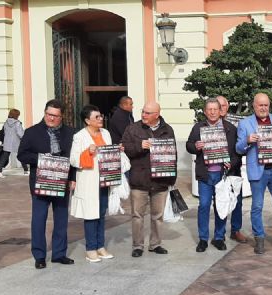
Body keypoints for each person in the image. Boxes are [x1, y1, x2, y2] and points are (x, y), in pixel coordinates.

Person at [18, 99, 76, 269]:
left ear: (62, 117)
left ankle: (59, 254)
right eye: (49, 114)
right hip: (40, 183)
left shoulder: (71, 133)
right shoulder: (31, 132)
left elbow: (73, 159)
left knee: (61, 219)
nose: (51, 118)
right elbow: (22, 155)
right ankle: (39, 256)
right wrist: (42, 160)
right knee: (38, 219)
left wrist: (73, 178)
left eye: (55, 116)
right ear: (45, 113)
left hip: (62, 182)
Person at [236, 92, 272, 254]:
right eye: (260, 105)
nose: (263, 108)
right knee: (257, 207)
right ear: (254, 106)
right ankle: (259, 239)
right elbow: (238, 148)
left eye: (266, 105)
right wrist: (247, 141)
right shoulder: (245, 123)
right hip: (257, 170)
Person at [187, 97, 242, 252]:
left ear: (220, 111)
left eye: (215, 109)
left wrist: (231, 162)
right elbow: (189, 145)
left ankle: (219, 237)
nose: (212, 112)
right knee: (203, 206)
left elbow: (238, 153)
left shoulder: (230, 128)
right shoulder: (198, 127)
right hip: (205, 174)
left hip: (222, 175)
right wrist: (196, 146)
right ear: (205, 111)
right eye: (209, 109)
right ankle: (203, 239)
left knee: (221, 206)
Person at [122, 101, 176, 257]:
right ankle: (137, 246)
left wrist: (172, 178)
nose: (143, 115)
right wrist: (140, 146)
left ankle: (155, 244)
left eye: (147, 113)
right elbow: (124, 148)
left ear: (156, 115)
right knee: (137, 215)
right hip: (139, 179)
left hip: (161, 180)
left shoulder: (168, 129)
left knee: (158, 216)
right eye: (143, 111)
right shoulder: (133, 128)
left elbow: (173, 155)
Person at [69, 105, 116, 262]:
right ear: (87, 120)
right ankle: (91, 248)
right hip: (89, 180)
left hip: (104, 180)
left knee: (102, 213)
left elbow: (109, 152)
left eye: (101, 116)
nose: (100, 119)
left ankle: (100, 246)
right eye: (97, 117)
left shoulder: (106, 133)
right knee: (90, 215)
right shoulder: (80, 137)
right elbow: (74, 160)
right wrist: (87, 152)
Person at [216, 95, 247, 243]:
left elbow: (240, 147)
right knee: (219, 201)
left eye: (223, 106)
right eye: (218, 105)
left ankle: (236, 230)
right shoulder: (208, 123)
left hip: (233, 168)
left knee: (237, 201)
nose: (221, 109)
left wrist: (232, 163)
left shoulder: (238, 122)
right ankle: (219, 233)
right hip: (214, 168)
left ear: (228, 107)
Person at [0, 108, 28, 178]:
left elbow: (4, 132)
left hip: (7, 142)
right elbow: (20, 134)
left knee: (4, 157)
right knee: (22, 155)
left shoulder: (6, 122)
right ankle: (26, 170)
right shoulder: (17, 123)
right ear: (16, 115)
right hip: (16, 142)